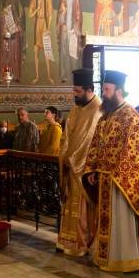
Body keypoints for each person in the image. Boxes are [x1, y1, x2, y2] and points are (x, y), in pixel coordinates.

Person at [83, 71, 139, 272]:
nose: (104, 93)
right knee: (109, 221)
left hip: (122, 182)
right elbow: (96, 145)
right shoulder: (105, 118)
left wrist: (115, 171)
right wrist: (93, 169)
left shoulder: (131, 117)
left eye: (107, 90)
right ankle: (107, 257)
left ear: (118, 90)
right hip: (104, 179)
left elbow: (138, 152)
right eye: (103, 89)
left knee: (122, 221)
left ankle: (127, 259)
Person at [57, 69, 102, 257]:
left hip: (84, 168)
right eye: (73, 91)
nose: (74, 95)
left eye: (77, 91)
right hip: (71, 163)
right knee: (70, 204)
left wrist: (73, 159)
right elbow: (67, 134)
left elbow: (89, 140)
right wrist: (64, 155)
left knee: (82, 208)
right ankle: (67, 240)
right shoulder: (76, 107)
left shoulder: (98, 109)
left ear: (88, 89)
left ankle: (82, 243)